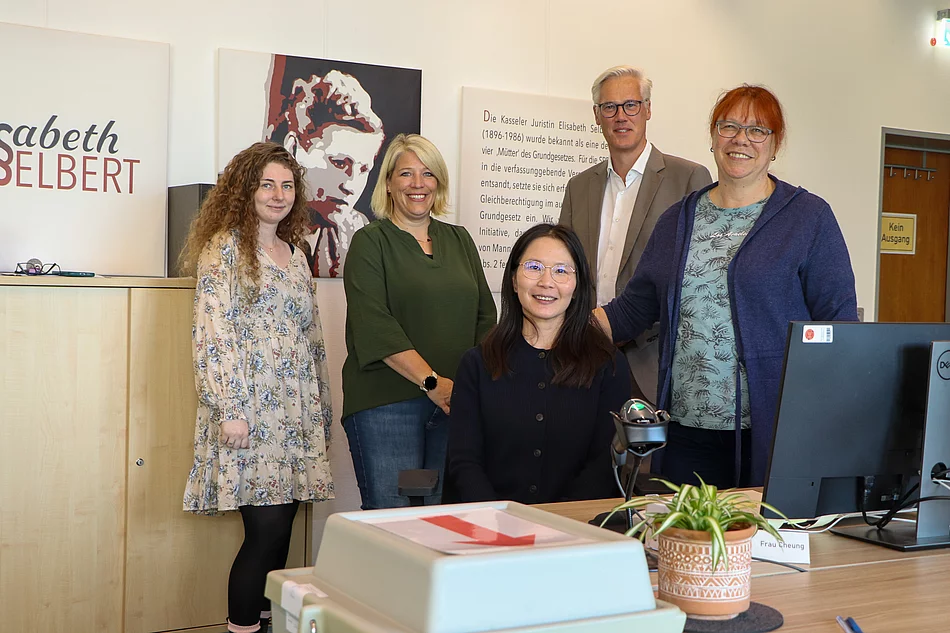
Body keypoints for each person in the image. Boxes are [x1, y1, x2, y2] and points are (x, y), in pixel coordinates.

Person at [596, 85, 857, 489]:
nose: (741, 140)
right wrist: (552, 326)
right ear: (713, 136)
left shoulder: (808, 218)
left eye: (757, 131)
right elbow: (632, 310)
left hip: (770, 433)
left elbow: (838, 327)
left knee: (761, 547)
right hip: (685, 430)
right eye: (729, 126)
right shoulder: (677, 219)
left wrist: (823, 419)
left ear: (776, 144)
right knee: (688, 546)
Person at [180, 142, 333, 633]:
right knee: (264, 533)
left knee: (280, 533)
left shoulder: (297, 255)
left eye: (287, 185)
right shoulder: (223, 249)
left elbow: (311, 340)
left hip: (295, 415)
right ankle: (242, 628)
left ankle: (266, 624)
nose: (278, 194)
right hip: (247, 413)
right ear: (245, 190)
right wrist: (230, 407)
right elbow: (212, 332)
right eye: (267, 184)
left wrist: (322, 413)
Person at [342, 133, 496, 509]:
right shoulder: (370, 242)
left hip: (452, 406)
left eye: (427, 174)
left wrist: (468, 389)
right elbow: (374, 325)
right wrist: (431, 382)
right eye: (406, 174)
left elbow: (485, 318)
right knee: (394, 522)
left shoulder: (460, 240)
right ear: (390, 184)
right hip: (389, 407)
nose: (417, 184)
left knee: (437, 519)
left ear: (438, 182)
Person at [445, 224, 630, 504]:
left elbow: (605, 462)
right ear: (513, 280)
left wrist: (558, 525)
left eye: (561, 271)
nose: (546, 282)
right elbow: (464, 462)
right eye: (534, 267)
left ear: (577, 285)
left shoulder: (608, 365)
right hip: (492, 528)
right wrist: (499, 522)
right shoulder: (478, 363)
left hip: (577, 529)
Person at [560, 66, 712, 405]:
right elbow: (565, 268)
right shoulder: (578, 187)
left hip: (654, 360)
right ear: (597, 116)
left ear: (647, 110)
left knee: (650, 459)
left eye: (631, 105)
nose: (621, 116)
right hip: (587, 355)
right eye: (609, 107)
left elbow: (700, 279)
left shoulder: (688, 178)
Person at [264, 55, 386, 278]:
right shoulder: (263, 226)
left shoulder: (358, 230)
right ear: (294, 149)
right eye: (339, 163)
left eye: (363, 169)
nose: (351, 185)